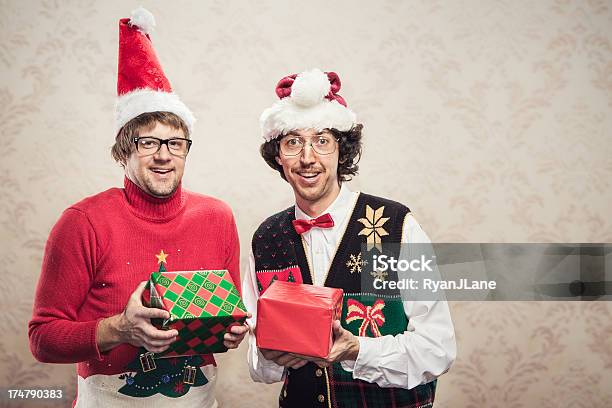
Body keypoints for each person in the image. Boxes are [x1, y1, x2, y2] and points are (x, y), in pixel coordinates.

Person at [28, 8, 247, 407]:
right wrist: (120, 330)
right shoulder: (83, 222)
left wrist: (231, 332)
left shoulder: (218, 217)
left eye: (175, 143)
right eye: (148, 142)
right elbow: (42, 339)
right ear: (123, 151)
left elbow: (225, 316)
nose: (164, 155)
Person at [242, 68, 456, 407]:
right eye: (293, 142)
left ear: (342, 150)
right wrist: (268, 355)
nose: (308, 157)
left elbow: (437, 349)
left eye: (322, 141)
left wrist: (359, 350)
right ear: (278, 156)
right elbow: (260, 365)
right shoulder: (267, 238)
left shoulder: (395, 226)